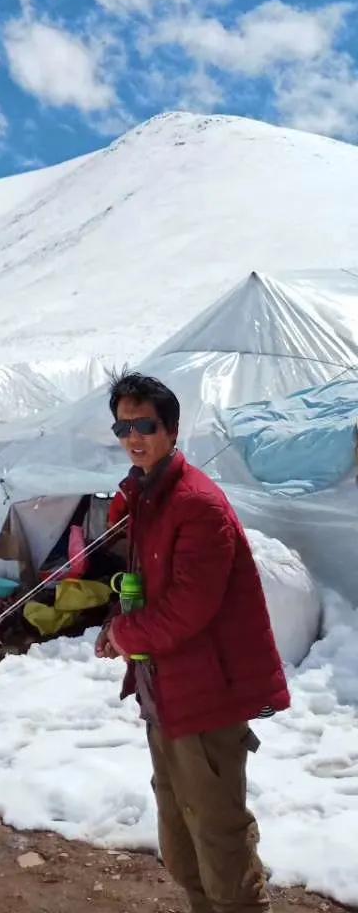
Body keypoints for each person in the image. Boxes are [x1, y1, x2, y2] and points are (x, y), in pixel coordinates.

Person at [96, 371, 289, 913]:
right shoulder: (150, 497)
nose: (133, 437)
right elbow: (152, 590)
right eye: (123, 426)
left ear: (172, 429)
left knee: (220, 846)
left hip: (206, 698)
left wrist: (123, 631)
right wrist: (121, 621)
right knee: (182, 845)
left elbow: (188, 610)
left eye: (145, 425)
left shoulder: (196, 504)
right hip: (167, 695)